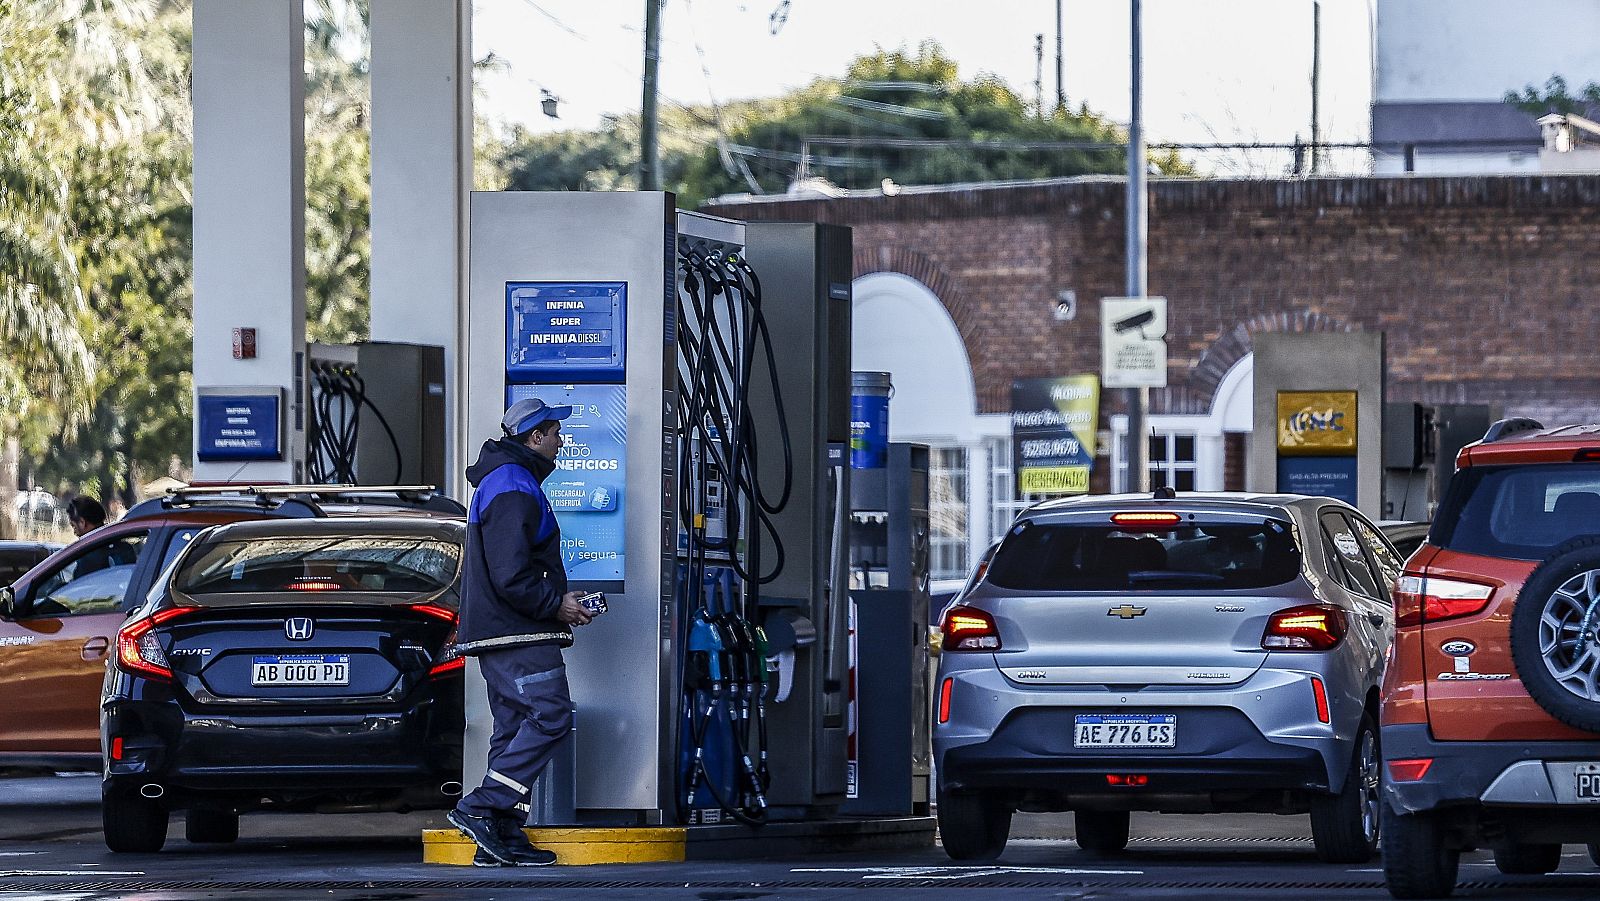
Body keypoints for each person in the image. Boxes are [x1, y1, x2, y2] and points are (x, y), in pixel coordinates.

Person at [447, 397, 594, 867]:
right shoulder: (513, 484)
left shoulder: (504, 480)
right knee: (551, 715)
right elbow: (511, 573)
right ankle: (482, 807)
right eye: (554, 432)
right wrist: (557, 605)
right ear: (534, 437)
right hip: (520, 634)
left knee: (512, 729)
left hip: (501, 635)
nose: (560, 440)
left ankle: (500, 836)